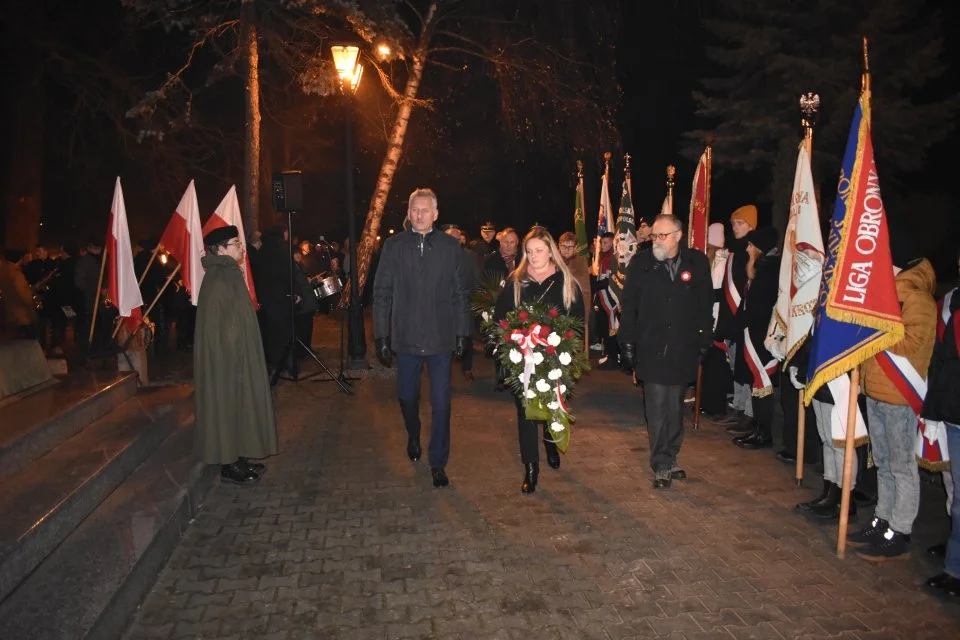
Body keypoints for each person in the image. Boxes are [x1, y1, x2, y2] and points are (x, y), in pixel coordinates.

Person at [373, 188, 470, 488]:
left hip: (441, 338)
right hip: (406, 337)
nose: (418, 215)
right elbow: (382, 293)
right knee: (406, 397)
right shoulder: (394, 246)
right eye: (414, 209)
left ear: (436, 214)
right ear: (409, 211)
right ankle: (413, 433)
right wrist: (381, 334)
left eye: (424, 210)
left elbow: (459, 293)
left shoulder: (450, 247)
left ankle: (438, 461)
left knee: (441, 404)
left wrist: (462, 332)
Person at [851, 247, 937, 561]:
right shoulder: (885, 296)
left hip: (900, 396)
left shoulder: (918, 300)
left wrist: (878, 330)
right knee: (883, 463)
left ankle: (900, 530)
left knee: (902, 466)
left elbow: (914, 345)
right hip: (875, 391)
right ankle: (882, 519)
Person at [619, 214, 713, 489]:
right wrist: (627, 343)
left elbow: (705, 304)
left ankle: (671, 454)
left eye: (662, 236)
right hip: (652, 346)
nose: (656, 241)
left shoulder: (697, 263)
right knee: (657, 405)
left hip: (683, 347)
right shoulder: (642, 264)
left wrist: (705, 338)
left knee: (675, 406)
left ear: (678, 236)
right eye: (654, 236)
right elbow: (630, 306)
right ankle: (661, 462)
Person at [494, 227, 585, 493]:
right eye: (530, 251)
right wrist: (513, 342)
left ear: (551, 251)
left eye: (540, 251)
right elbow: (502, 318)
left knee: (549, 403)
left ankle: (549, 441)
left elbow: (577, 320)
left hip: (554, 356)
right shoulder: (516, 281)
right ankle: (531, 466)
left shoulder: (565, 282)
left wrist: (565, 346)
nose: (534, 257)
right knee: (524, 410)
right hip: (522, 357)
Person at [194, 225, 277, 486]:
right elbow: (217, 329)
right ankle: (230, 465)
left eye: (239, 242)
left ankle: (239, 458)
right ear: (219, 249)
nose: (241, 247)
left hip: (238, 357)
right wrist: (234, 356)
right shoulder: (218, 278)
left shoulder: (229, 274)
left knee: (240, 406)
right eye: (235, 243)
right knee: (228, 406)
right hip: (228, 362)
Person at [922, 249, 960, 593]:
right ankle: (954, 553)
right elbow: (941, 359)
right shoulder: (950, 301)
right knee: (954, 487)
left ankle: (955, 566)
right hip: (951, 406)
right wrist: (933, 408)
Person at [731, 226, 780, 450]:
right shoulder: (760, 268)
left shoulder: (769, 271)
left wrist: (743, 321)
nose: (748, 248)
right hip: (753, 331)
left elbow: (760, 308)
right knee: (757, 385)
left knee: (763, 384)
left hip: (761, 335)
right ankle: (758, 428)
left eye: (752, 245)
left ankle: (764, 433)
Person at [721, 205, 758, 435]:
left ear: (751, 226)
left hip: (746, 317)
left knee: (746, 367)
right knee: (735, 364)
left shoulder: (752, 250)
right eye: (734, 223)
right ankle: (738, 407)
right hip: (732, 317)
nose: (736, 227)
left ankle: (749, 413)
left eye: (741, 223)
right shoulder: (733, 251)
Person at [699, 222, 732, 418]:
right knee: (708, 361)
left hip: (718, 317)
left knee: (717, 363)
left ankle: (716, 405)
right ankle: (706, 401)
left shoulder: (723, 261)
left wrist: (708, 294)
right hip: (708, 314)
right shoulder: (710, 261)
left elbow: (723, 291)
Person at [444, 224, 479, 381]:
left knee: (466, 338)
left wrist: (475, 301)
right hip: (444, 306)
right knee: (445, 341)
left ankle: (467, 368)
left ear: (461, 241)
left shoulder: (470, 256)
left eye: (456, 239)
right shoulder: (437, 256)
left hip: (465, 304)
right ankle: (444, 372)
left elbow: (476, 279)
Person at [558, 231, 591, 350]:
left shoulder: (581, 261)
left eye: (570, 247)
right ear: (559, 246)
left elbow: (585, 289)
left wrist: (586, 315)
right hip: (556, 306)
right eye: (564, 246)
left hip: (574, 306)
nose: (566, 249)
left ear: (576, 247)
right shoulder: (553, 261)